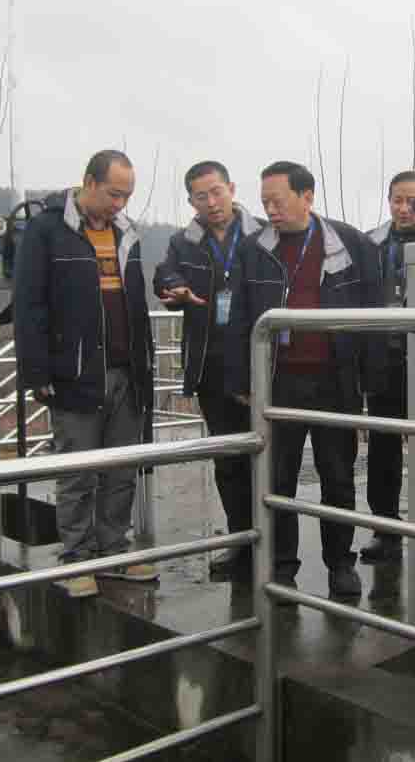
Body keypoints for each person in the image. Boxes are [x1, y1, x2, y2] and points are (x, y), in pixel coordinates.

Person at [226, 161, 384, 598]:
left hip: (336, 380)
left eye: (277, 201)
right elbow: (239, 317)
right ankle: (282, 567)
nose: (270, 210)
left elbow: (373, 313)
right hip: (279, 381)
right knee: (278, 479)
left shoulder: (350, 243)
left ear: (307, 197)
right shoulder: (254, 249)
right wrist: (241, 379)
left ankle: (340, 564)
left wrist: (372, 379)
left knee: (338, 477)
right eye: (264, 203)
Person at [14, 149, 157, 596]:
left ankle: (114, 553)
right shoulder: (47, 230)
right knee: (77, 471)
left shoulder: (125, 234)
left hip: (127, 372)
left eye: (127, 195)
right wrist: (36, 372)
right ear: (89, 183)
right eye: (114, 194)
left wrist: (145, 365)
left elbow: (136, 306)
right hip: (75, 372)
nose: (120, 203)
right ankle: (76, 558)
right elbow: (29, 304)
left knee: (120, 470)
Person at [153, 160, 263, 582]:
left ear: (232, 188)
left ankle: (274, 545)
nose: (212, 202)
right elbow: (165, 275)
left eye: (217, 191)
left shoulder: (261, 234)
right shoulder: (184, 242)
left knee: (268, 457)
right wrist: (173, 288)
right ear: (191, 201)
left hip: (257, 361)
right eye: (202, 196)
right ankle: (241, 544)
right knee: (228, 459)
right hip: (211, 365)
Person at [360, 170, 415, 562]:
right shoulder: (371, 244)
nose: (404, 209)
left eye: (412, 201)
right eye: (397, 200)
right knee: (383, 448)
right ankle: (385, 530)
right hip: (383, 358)